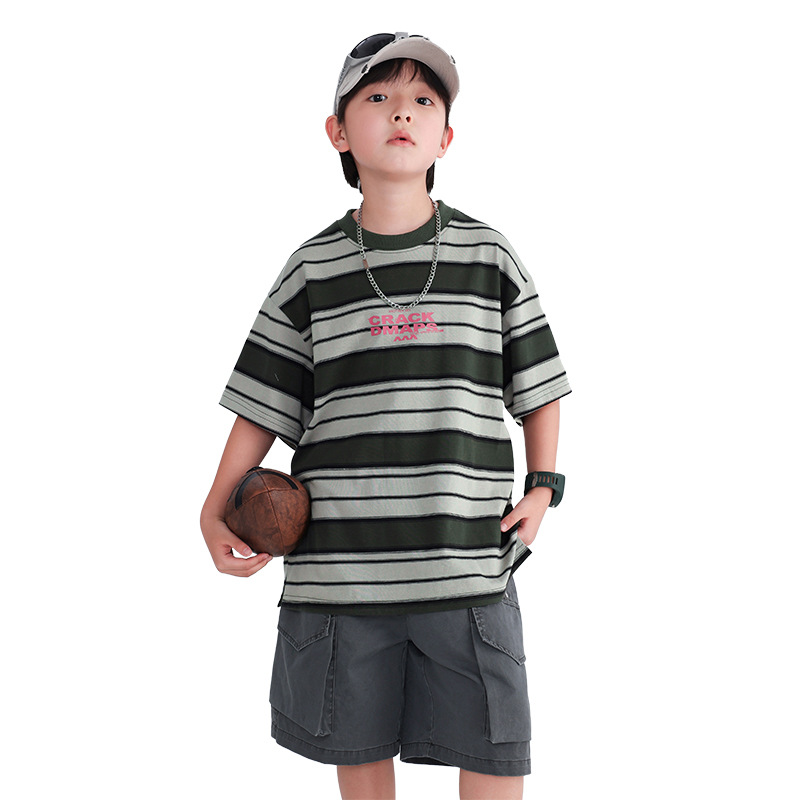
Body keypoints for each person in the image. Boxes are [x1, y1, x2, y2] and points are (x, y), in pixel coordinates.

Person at [200, 32, 571, 800]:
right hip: (342, 577)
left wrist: (544, 488)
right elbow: (264, 400)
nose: (402, 111)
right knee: (359, 753)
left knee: (495, 756)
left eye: (423, 100)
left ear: (446, 138)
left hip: (465, 567)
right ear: (338, 132)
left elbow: (539, 387)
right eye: (377, 97)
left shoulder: (490, 257)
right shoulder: (311, 269)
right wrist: (213, 507)